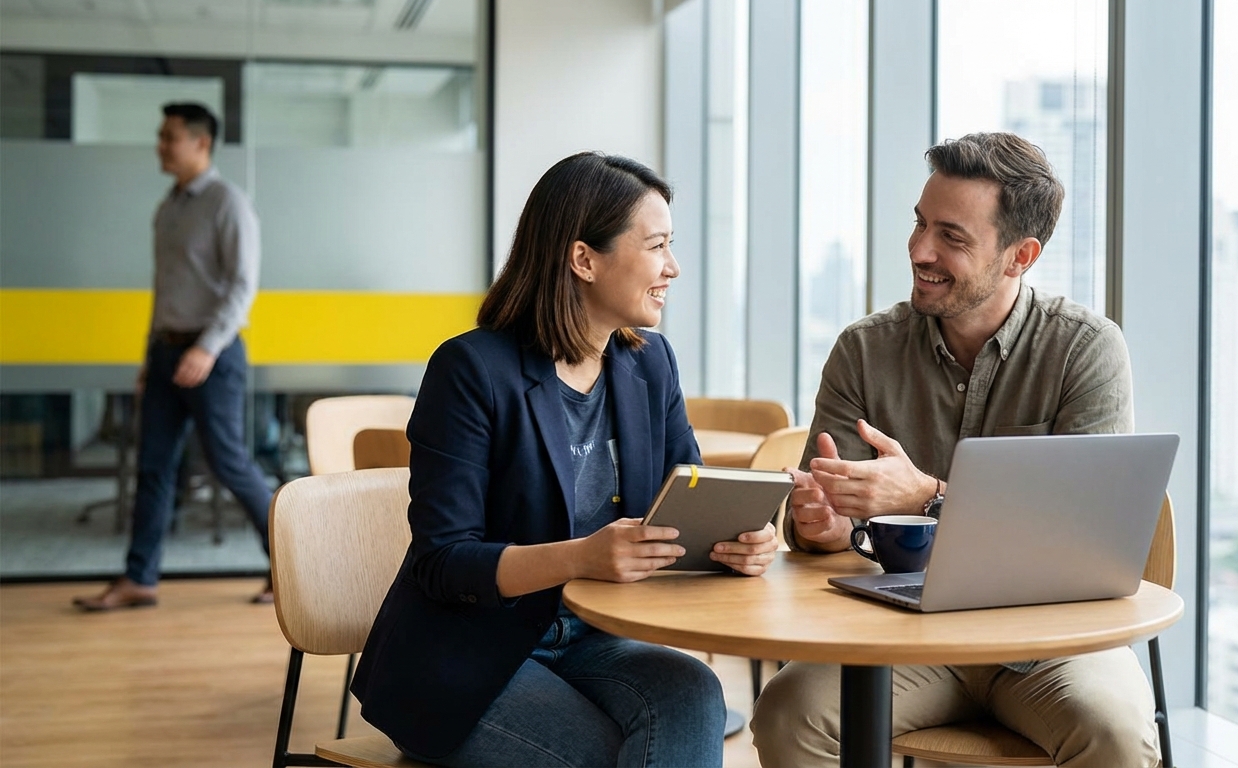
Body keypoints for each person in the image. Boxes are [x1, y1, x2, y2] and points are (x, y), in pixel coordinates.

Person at [350, 151, 779, 767]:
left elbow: (686, 501)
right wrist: (582, 557)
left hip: (595, 634)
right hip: (466, 653)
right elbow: (443, 562)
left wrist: (740, 542)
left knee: (692, 691)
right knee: (607, 755)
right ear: (584, 259)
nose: (673, 268)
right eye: (657, 246)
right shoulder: (471, 371)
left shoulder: (649, 364)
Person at [750, 132, 1161, 768]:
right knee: (788, 713)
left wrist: (929, 495)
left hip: (1048, 643)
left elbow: (1086, 540)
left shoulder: (1085, 350)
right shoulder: (864, 351)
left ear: (1020, 256)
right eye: (919, 224)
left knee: (1115, 732)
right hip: (901, 638)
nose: (919, 251)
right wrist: (822, 526)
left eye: (952, 236)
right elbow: (817, 531)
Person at [75, 103, 274, 610]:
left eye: (169, 137)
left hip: (214, 356)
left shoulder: (228, 202)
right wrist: (150, 353)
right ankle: (139, 578)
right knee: (154, 467)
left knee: (230, 465)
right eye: (161, 137)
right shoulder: (169, 207)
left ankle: (294, 568)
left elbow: (243, 286)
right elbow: (165, 289)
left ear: (201, 143)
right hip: (165, 354)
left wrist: (206, 348)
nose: (161, 146)